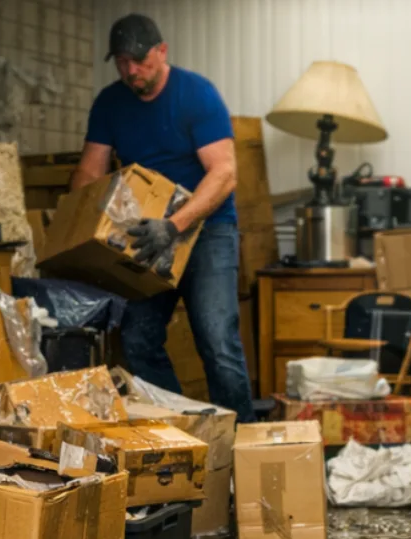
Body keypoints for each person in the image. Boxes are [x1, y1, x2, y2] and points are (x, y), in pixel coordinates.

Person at [73, 12, 256, 422]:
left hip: (206, 230)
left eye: (139, 60)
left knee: (217, 341)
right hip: (146, 233)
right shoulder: (110, 103)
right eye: (123, 62)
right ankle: (182, 431)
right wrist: (77, 232)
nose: (131, 71)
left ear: (162, 51)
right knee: (137, 339)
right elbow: (89, 173)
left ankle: (241, 439)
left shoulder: (196, 95)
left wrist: (174, 226)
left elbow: (224, 174)